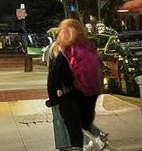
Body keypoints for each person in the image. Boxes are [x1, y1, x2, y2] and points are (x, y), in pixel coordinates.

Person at [46, 18, 108, 151]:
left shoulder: (59, 49)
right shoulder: (87, 47)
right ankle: (94, 139)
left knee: (72, 124)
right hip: (88, 90)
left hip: (67, 91)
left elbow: (54, 75)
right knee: (82, 121)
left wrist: (54, 94)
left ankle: (81, 145)